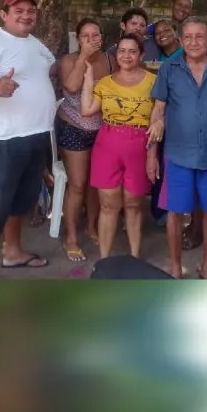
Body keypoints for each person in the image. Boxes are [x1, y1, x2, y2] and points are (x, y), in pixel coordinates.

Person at [0, 0, 57, 280]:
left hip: (33, 135)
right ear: (4, 14)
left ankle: (13, 252)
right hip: (0, 140)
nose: (26, 15)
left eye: (30, 10)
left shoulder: (35, 44)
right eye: (18, 10)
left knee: (21, 199)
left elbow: (47, 70)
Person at [148, 16, 207, 279]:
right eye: (187, 37)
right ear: (180, 40)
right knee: (175, 213)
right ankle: (176, 266)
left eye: (199, 36)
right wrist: (151, 154)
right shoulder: (169, 68)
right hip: (177, 156)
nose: (193, 42)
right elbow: (158, 110)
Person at [81, 33, 157, 260]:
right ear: (116, 54)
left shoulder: (153, 82)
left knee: (134, 204)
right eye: (122, 51)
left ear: (141, 54)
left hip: (140, 143)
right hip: (108, 144)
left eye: (132, 51)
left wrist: (153, 152)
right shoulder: (105, 83)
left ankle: (134, 257)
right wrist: (88, 79)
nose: (126, 55)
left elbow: (158, 117)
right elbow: (86, 110)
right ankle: (104, 259)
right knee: (108, 205)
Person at [57, 17, 116, 262]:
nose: (91, 40)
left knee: (96, 184)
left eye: (96, 35)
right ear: (78, 39)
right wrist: (83, 57)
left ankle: (91, 227)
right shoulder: (68, 60)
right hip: (74, 127)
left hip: (102, 130)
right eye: (85, 36)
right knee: (78, 184)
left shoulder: (111, 60)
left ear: (102, 37)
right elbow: (71, 87)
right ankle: (71, 237)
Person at [149, 19, 183, 228]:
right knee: (158, 163)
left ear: (176, 32)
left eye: (167, 30)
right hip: (156, 115)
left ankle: (173, 213)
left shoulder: (186, 54)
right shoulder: (156, 57)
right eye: (157, 33)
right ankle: (159, 212)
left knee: (172, 166)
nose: (162, 34)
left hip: (178, 118)